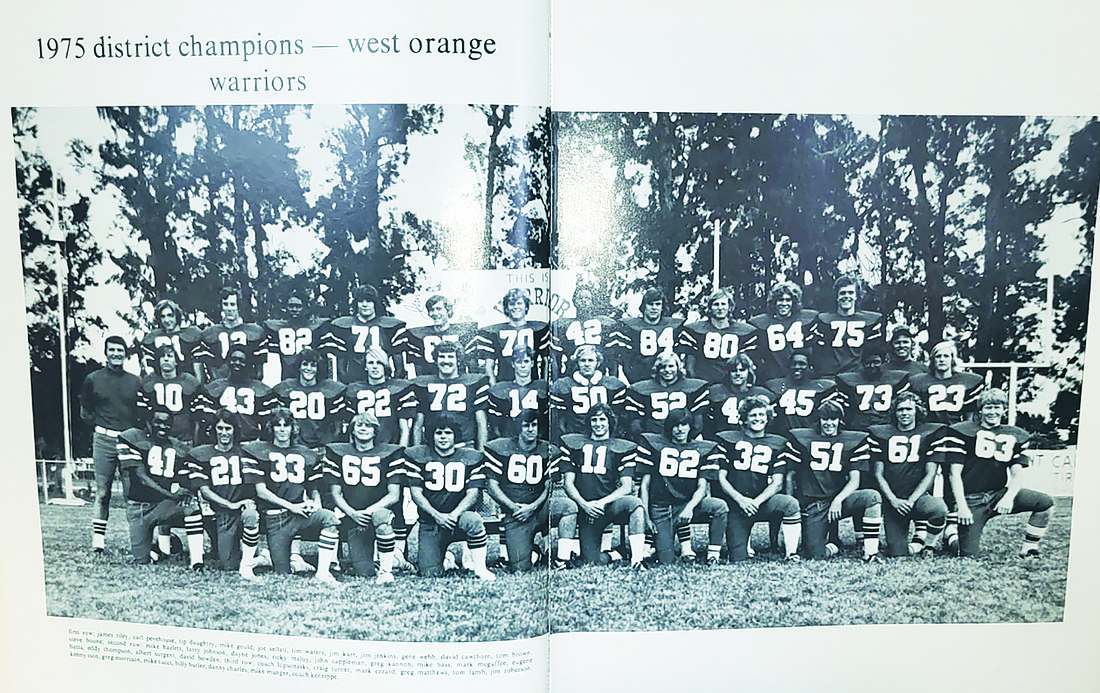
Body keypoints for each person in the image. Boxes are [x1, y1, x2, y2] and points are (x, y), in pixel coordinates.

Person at [939, 389, 1054, 557]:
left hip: (997, 494)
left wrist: (1008, 497)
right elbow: (953, 474)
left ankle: (1029, 548)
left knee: (1045, 502)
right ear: (980, 410)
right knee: (966, 554)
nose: (992, 412)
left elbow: (1017, 474)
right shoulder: (962, 432)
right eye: (988, 407)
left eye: (997, 407)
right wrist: (962, 507)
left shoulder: (1014, 435)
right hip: (972, 499)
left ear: (1004, 409)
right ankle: (950, 535)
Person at [781, 400, 883, 561]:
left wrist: (838, 500)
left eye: (833, 419)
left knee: (872, 497)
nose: (829, 423)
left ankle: (870, 553)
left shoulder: (852, 440)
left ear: (840, 420)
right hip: (816, 503)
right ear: (818, 420)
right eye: (825, 419)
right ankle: (834, 545)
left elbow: (854, 480)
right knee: (815, 555)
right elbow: (790, 474)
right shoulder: (802, 438)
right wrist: (794, 503)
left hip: (841, 500)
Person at [906, 340, 985, 549]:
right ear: (932, 360)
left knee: (954, 478)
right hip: (929, 434)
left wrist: (968, 435)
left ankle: (951, 527)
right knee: (925, 478)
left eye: (946, 356)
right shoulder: (920, 381)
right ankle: (921, 530)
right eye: (938, 356)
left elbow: (969, 416)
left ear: (953, 359)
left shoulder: (968, 381)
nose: (942, 360)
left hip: (955, 434)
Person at [246, 408, 339, 582]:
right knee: (282, 573)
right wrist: (292, 506)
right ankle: (293, 562)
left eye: (286, 425)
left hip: (299, 515)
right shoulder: (260, 451)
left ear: (293, 428)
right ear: (271, 428)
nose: (282, 429)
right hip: (276, 519)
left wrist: (315, 504)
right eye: (278, 425)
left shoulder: (305, 453)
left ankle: (323, 572)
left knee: (330, 518)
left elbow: (313, 489)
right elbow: (261, 491)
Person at [483, 409, 578, 571]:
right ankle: (536, 553)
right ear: (518, 428)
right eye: (526, 425)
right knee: (520, 569)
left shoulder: (548, 450)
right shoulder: (501, 448)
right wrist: (514, 508)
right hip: (515, 514)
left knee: (569, 507)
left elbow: (549, 486)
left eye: (534, 425)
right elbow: (492, 487)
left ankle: (562, 559)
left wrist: (532, 507)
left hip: (539, 509)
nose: (530, 429)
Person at [405, 415, 496, 580]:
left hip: (459, 519)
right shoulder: (419, 456)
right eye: (439, 433)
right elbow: (416, 494)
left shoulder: (470, 457)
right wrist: (437, 515)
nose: (443, 437)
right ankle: (447, 558)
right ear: (432, 435)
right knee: (429, 574)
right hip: (431, 522)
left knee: (474, 520)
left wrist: (453, 515)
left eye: (448, 433)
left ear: (456, 436)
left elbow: (473, 494)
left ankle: (480, 568)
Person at [713, 395, 802, 561]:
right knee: (738, 557)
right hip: (737, 504)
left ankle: (791, 553)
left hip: (762, 503)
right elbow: (721, 478)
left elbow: (777, 483)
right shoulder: (728, 440)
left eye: (762, 415)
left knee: (790, 504)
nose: (758, 419)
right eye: (753, 415)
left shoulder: (777, 443)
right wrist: (741, 500)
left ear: (768, 418)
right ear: (744, 419)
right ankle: (743, 543)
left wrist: (756, 502)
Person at [559, 403, 647, 567]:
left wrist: (602, 502)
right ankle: (617, 554)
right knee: (592, 561)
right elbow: (567, 483)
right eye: (594, 420)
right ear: (588, 423)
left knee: (636, 504)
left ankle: (637, 559)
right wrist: (584, 504)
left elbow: (627, 487)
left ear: (610, 422)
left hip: (609, 505)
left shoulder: (621, 447)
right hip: (585, 508)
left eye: (602, 419)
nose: (598, 424)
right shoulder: (575, 445)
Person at [637, 408, 728, 564]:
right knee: (666, 560)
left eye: (684, 425)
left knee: (720, 506)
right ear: (668, 427)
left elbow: (702, 487)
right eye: (675, 425)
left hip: (689, 503)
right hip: (662, 507)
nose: (679, 429)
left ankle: (713, 555)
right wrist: (646, 515)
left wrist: (689, 507)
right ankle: (653, 547)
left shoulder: (702, 448)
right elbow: (645, 485)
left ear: (690, 426)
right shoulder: (654, 444)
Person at [117, 408, 204, 569]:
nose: (162, 427)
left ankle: (197, 562)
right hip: (139, 508)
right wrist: (171, 494)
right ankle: (158, 550)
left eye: (167, 423)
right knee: (141, 561)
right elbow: (142, 478)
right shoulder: (133, 439)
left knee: (191, 506)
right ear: (149, 423)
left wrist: (183, 491)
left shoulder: (177, 447)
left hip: (163, 506)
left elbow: (185, 476)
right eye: (158, 422)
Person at [326, 411, 406, 582]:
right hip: (354, 517)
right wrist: (353, 513)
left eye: (368, 425)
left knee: (382, 520)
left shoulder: (389, 453)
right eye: (359, 425)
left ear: (375, 431)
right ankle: (387, 562)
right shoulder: (338, 452)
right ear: (352, 430)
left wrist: (368, 511)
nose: (364, 428)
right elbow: (335, 493)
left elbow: (394, 495)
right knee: (364, 571)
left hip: (378, 513)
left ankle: (386, 571)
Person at [81, 335, 142, 553]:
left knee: (131, 493)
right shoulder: (93, 378)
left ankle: (137, 543)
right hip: (104, 439)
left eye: (120, 350)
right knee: (103, 492)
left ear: (126, 353)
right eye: (112, 350)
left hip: (127, 440)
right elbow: (85, 411)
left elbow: (141, 414)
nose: (116, 353)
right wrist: (102, 427)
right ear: (106, 352)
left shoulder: (135, 381)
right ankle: (98, 543)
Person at [868, 392, 948, 557]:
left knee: (939, 509)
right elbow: (878, 473)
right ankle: (916, 543)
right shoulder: (881, 434)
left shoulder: (929, 433)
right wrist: (893, 500)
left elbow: (930, 473)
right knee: (898, 553)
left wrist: (911, 501)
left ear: (917, 411)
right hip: (893, 501)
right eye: (900, 409)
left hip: (917, 498)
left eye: (909, 409)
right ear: (894, 412)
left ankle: (928, 545)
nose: (904, 413)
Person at [187, 408, 263, 578]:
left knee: (251, 514)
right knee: (229, 565)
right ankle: (260, 557)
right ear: (214, 429)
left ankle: (250, 563)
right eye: (220, 428)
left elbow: (255, 486)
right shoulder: (202, 454)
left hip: (241, 511)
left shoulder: (246, 454)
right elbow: (204, 490)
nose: (224, 433)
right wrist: (229, 504)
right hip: (221, 513)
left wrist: (247, 501)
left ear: (235, 430)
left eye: (228, 428)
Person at [320, 285, 409, 384]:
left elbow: (399, 365)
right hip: (354, 381)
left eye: (369, 301)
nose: (365, 305)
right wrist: (346, 383)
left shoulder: (389, 326)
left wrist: (393, 384)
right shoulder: (344, 326)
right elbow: (340, 364)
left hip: (381, 382)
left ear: (375, 303)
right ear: (356, 303)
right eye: (361, 301)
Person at [411, 341, 489, 449]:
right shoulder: (424, 385)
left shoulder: (473, 383)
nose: (446, 361)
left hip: (464, 446)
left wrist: (481, 452)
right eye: (442, 357)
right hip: (433, 449)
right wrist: (417, 451)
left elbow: (482, 424)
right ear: (436, 361)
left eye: (451, 357)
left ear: (458, 360)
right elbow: (418, 425)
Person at [193, 346, 278, 444]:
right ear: (228, 362)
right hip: (221, 443)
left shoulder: (262, 390)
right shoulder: (213, 388)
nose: (237, 363)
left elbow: (267, 427)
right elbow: (205, 423)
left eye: (242, 360)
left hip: (249, 443)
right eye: (234, 359)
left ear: (249, 364)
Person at [549, 344, 628, 445]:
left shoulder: (613, 384)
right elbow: (558, 420)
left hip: (605, 438)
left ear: (598, 363)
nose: (587, 364)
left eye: (591, 360)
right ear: (577, 363)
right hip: (576, 438)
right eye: (583, 360)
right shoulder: (563, 385)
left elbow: (618, 417)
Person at [623, 351, 709, 440]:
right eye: (662, 367)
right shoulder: (640, 389)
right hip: (653, 438)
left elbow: (698, 423)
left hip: (682, 439)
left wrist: (685, 439)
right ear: (657, 369)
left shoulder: (694, 388)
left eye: (671, 366)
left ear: (678, 367)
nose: (667, 370)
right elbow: (636, 424)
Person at [472, 288, 550, 386]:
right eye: (512, 304)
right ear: (507, 308)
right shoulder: (494, 333)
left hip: (532, 385)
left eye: (519, 303)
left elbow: (546, 362)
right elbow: (489, 366)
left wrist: (543, 386)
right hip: (504, 384)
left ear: (526, 307)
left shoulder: (538, 330)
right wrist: (494, 388)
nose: (516, 307)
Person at [809, 275, 884, 377]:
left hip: (857, 374)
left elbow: (872, 351)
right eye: (842, 293)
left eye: (850, 293)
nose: (846, 296)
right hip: (830, 374)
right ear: (836, 297)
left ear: (856, 296)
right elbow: (818, 352)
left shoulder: (869, 320)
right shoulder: (823, 320)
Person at [273, 348, 347, 450]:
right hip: (295, 446)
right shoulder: (286, 388)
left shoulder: (330, 389)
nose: (309, 368)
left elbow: (337, 426)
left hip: (321, 446)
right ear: (298, 366)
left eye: (313, 365)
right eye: (305, 364)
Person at [606, 287, 683, 385]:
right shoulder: (630, 326)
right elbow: (622, 357)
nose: (654, 307)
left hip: (666, 376)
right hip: (639, 377)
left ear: (662, 306)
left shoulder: (674, 325)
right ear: (644, 306)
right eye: (650, 304)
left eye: (658, 304)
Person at [679, 288, 758, 383]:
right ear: (710, 307)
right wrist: (695, 380)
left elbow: (746, 363)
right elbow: (690, 362)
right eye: (716, 304)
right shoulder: (695, 330)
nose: (720, 308)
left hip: (732, 383)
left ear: (730, 307)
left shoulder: (745, 331)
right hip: (704, 381)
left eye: (723, 304)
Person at [342, 346, 416, 447]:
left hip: (390, 447)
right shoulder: (354, 389)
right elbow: (352, 428)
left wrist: (401, 452)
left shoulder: (399, 388)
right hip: (363, 448)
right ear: (365, 367)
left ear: (385, 366)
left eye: (379, 363)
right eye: (371, 363)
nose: (375, 366)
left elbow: (405, 429)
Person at [749, 281, 819, 384]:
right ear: (774, 302)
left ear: (794, 302)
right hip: (774, 375)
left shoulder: (807, 319)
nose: (784, 304)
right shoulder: (761, 323)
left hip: (800, 374)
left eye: (788, 300)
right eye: (780, 300)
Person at [833, 342, 911, 430]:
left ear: (884, 361)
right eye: (868, 363)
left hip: (886, 426)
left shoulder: (897, 378)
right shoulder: (848, 379)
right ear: (862, 363)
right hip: (860, 427)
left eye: (876, 362)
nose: (872, 366)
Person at [195, 287, 266, 382]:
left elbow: (259, 371)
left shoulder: (255, 331)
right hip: (219, 386)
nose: (229, 309)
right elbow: (207, 367)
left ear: (239, 306)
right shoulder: (210, 333)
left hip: (246, 385)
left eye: (232, 304)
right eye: (225, 304)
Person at [763, 349, 839, 434]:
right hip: (783, 434)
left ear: (810, 366)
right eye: (793, 364)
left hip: (811, 436)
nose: (797, 367)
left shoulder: (823, 387)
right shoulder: (774, 386)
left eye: (802, 364)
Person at [550, 284, 617, 380]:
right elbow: (556, 359)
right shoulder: (562, 325)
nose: (584, 301)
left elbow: (612, 360)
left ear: (592, 302)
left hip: (599, 377)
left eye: (587, 298)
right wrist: (556, 380)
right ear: (574, 301)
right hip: (571, 375)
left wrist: (612, 380)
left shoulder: (605, 323)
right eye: (580, 298)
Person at [137, 344, 201, 443]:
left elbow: (197, 419)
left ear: (176, 361)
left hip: (184, 439)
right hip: (157, 439)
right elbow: (145, 416)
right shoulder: (149, 381)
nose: (166, 359)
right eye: (162, 356)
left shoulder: (189, 381)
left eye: (169, 356)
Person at [263, 288, 329, 382]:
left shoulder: (317, 327)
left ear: (305, 308)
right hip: (287, 378)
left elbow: (324, 359)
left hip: (311, 379)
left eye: (298, 306)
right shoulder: (276, 327)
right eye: (291, 306)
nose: (294, 309)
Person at [406, 294, 477, 378]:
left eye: (439, 309)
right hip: (430, 381)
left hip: (458, 381)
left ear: (448, 311)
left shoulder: (463, 332)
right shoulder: (419, 335)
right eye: (432, 310)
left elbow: (472, 363)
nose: (435, 313)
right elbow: (418, 366)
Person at [703, 352, 773, 437]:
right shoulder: (715, 391)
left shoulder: (762, 393)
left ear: (749, 371)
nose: (738, 373)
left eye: (742, 370)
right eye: (734, 370)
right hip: (723, 438)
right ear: (728, 373)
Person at [486, 345, 549, 440]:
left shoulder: (542, 387)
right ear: (513, 364)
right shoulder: (501, 389)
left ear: (532, 363)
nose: (523, 365)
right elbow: (496, 426)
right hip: (509, 440)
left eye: (526, 361)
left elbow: (545, 422)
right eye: (519, 362)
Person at [138, 298, 202, 378]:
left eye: (170, 315)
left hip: (188, 383)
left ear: (177, 316)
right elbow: (149, 368)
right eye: (163, 316)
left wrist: (198, 387)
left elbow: (198, 365)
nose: (166, 320)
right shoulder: (153, 337)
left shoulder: (191, 333)